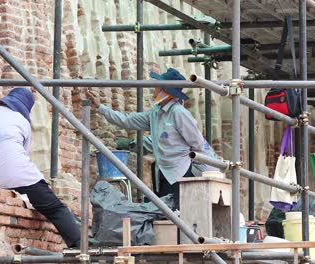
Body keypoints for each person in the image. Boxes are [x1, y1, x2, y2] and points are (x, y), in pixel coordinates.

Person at [90, 68, 221, 209]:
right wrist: (100, 107)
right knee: (165, 213)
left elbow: (197, 144)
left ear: (166, 90)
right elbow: (127, 120)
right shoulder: (155, 113)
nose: (155, 87)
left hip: (180, 172)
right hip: (163, 172)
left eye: (159, 85)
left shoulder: (179, 113)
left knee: (178, 213)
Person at [0, 87, 81, 248]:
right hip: (20, 178)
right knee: (56, 208)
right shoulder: (21, 121)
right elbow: (23, 156)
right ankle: (81, 247)